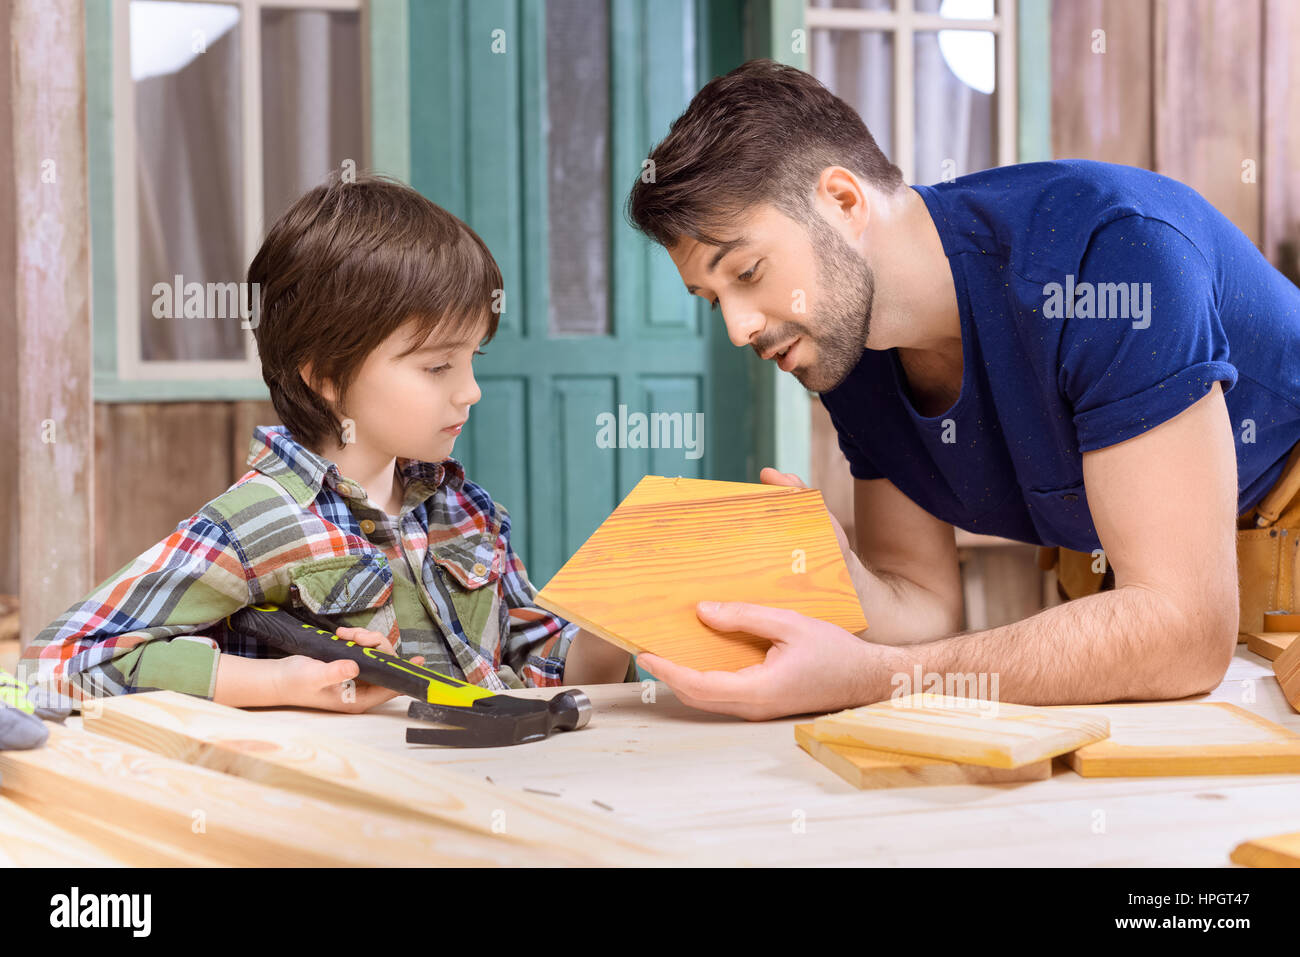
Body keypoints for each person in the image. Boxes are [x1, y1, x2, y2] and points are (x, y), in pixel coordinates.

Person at [623, 59, 1300, 719]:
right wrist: (846, 579)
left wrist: (869, 679)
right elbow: (921, 604)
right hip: (1157, 620)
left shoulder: (1110, 259)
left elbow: (1184, 632)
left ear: (842, 201)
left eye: (746, 271)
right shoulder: (848, 349)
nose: (739, 330)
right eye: (712, 300)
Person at [21, 172, 632, 713]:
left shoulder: (466, 511)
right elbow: (56, 664)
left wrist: (621, 621)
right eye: (438, 367)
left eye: (474, 359)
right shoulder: (259, 522)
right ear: (327, 378)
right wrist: (278, 683)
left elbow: (549, 672)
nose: (470, 391)